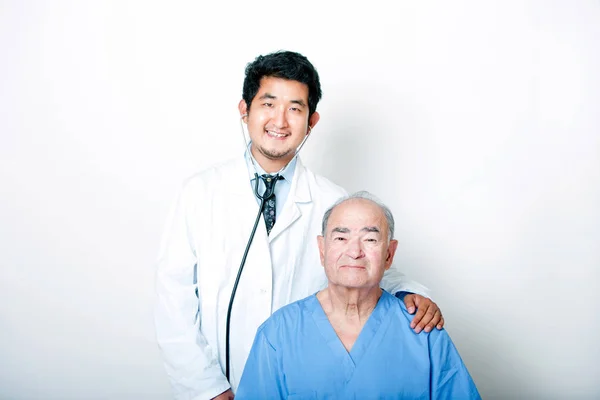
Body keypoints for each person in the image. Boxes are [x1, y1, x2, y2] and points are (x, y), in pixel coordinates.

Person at [154, 50, 445, 400]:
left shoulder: (332, 201)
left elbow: (368, 264)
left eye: (295, 108)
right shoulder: (199, 193)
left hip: (301, 387)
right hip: (220, 385)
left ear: (312, 122)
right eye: (268, 104)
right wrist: (207, 388)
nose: (280, 120)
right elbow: (174, 300)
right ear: (244, 110)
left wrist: (412, 294)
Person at [236, 192, 480, 399]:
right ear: (322, 250)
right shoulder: (278, 333)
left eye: (370, 239)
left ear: (389, 254)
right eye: (341, 238)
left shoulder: (423, 332)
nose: (354, 251)